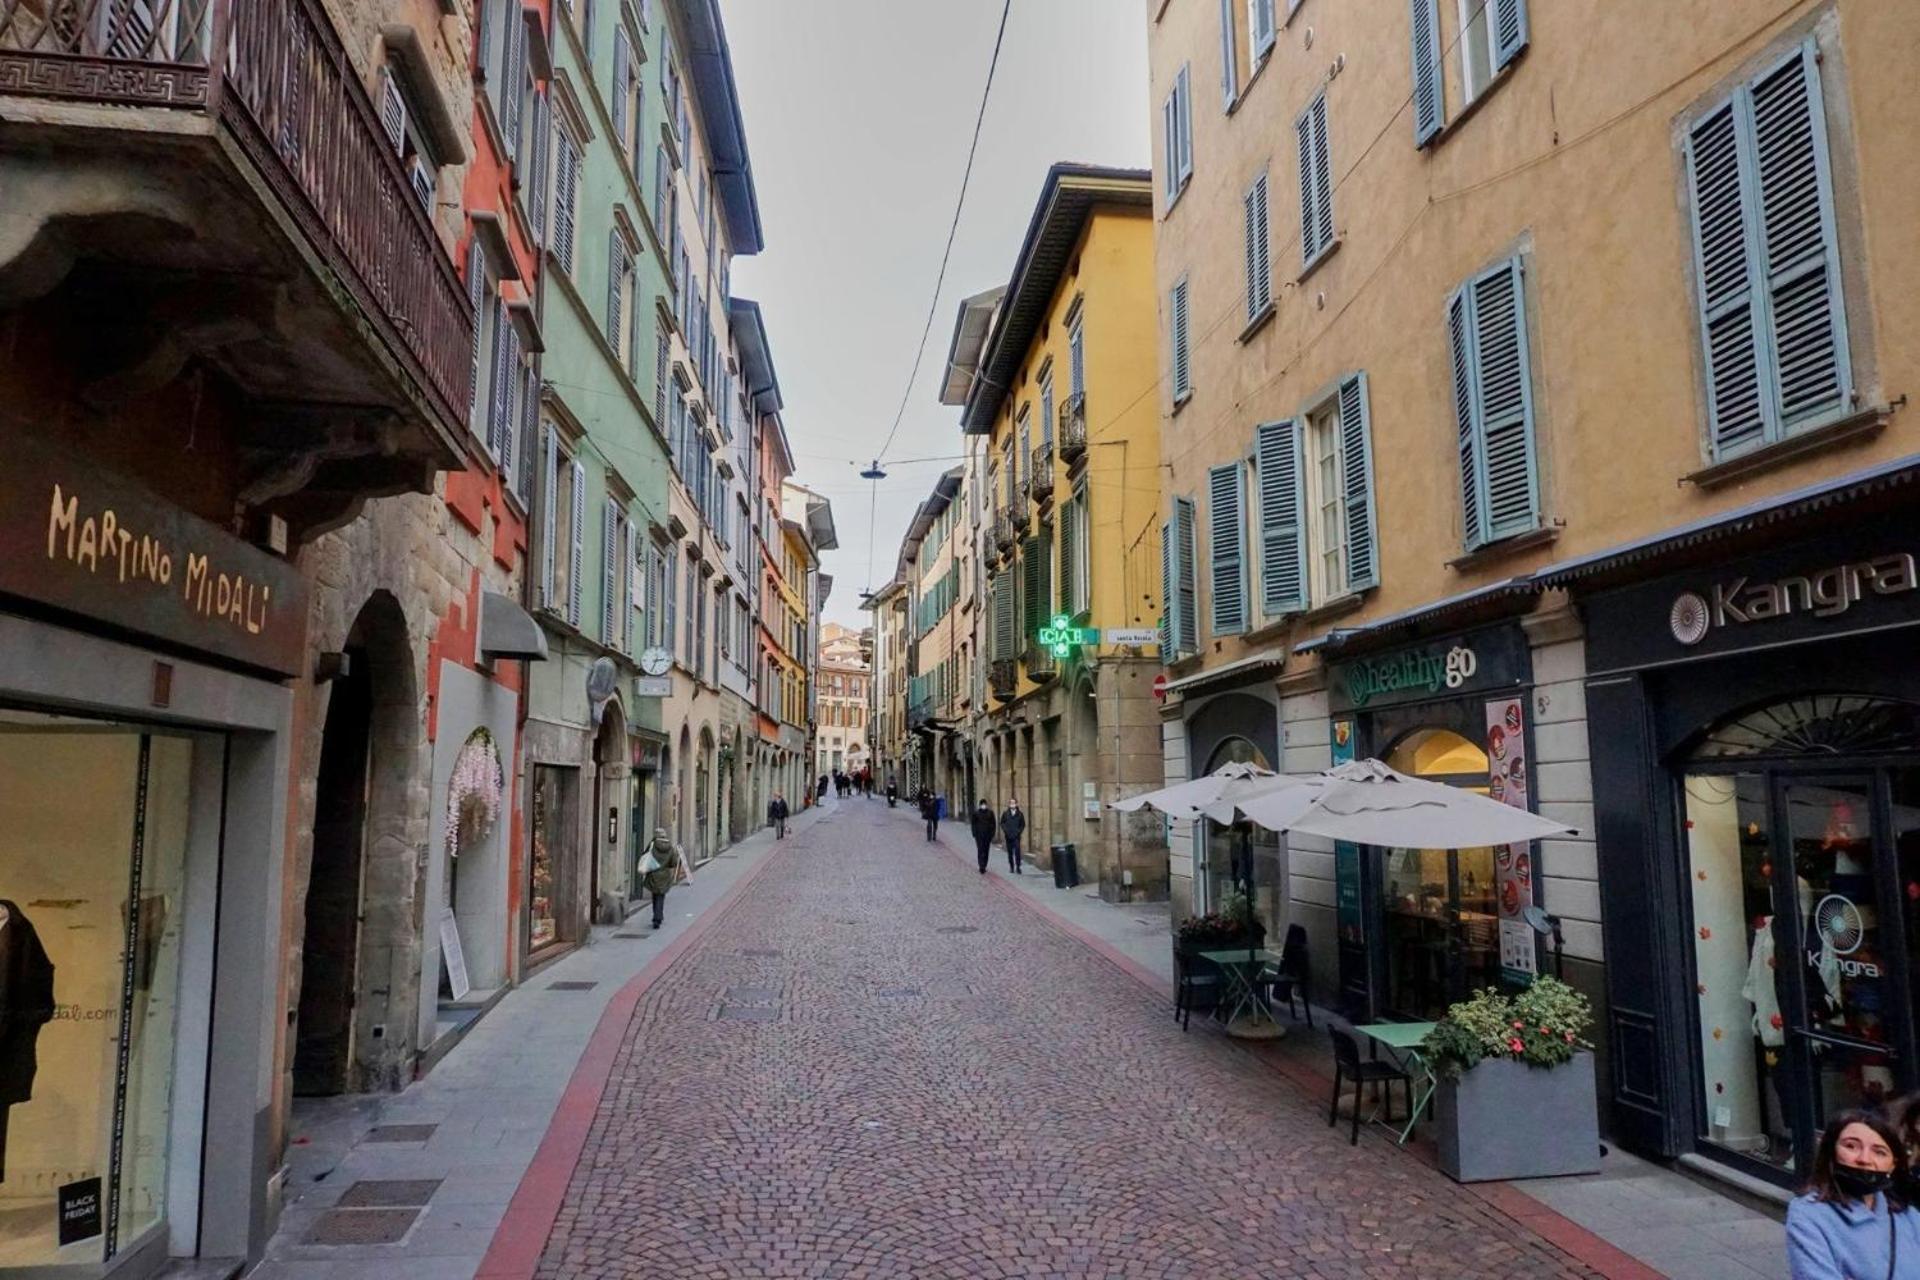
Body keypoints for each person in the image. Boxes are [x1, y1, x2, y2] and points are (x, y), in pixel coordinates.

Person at [1785, 1108, 1920, 1279]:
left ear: (1892, 1165)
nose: (1864, 1159)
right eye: (1851, 1146)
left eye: (1879, 1152)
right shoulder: (1809, 1214)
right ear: (1831, 1153)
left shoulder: (1908, 1216)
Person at [640, 828, 683, 929]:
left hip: (653, 873)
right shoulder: (670, 847)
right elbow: (673, 863)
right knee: (661, 896)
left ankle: (657, 916)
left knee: (655, 895)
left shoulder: (652, 845)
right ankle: (658, 916)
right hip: (664, 875)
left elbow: (645, 855)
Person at [969, 799, 997, 875]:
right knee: (980, 850)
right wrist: (974, 833)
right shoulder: (976, 813)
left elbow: (993, 824)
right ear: (980, 805)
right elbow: (973, 824)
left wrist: (992, 834)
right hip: (979, 835)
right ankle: (981, 866)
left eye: (984, 804)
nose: (983, 806)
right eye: (982, 804)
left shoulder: (990, 813)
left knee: (986, 850)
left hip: (987, 835)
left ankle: (984, 864)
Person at [1000, 800, 1026, 875]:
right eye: (1011, 803)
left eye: (1014, 803)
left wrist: (1019, 832)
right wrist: (1006, 830)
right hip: (1008, 836)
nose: (1012, 804)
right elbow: (1002, 823)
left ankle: (1018, 866)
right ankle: (1011, 866)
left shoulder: (1020, 814)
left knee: (1017, 851)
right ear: (1009, 804)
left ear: (1016, 804)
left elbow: (1023, 824)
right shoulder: (1005, 814)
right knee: (1010, 852)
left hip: (1016, 836)